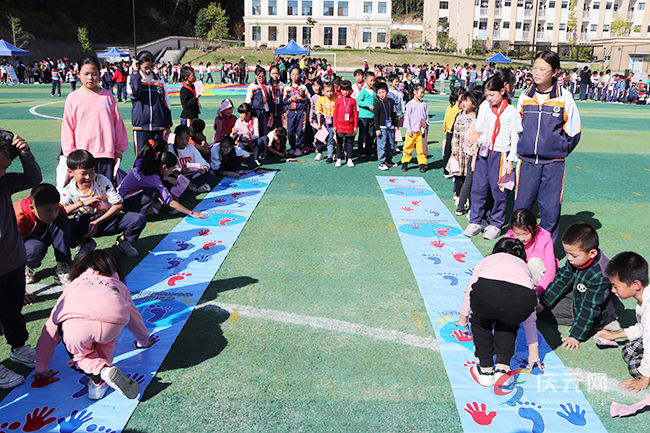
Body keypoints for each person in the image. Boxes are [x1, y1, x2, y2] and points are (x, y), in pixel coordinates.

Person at [34, 250, 158, 400]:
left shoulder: (73, 286)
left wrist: (41, 365)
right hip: (112, 322)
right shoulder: (117, 285)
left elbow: (50, 330)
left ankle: (102, 373)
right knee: (105, 343)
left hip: (77, 325)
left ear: (80, 268)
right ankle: (101, 377)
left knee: (79, 357)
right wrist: (143, 341)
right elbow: (134, 317)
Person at [515, 51, 581, 242]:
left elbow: (574, 132)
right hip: (527, 162)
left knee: (550, 210)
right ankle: (519, 248)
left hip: (553, 164)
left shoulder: (564, 98)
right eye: (534, 68)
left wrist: (557, 150)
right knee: (522, 208)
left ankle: (545, 252)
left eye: (542, 69)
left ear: (555, 72)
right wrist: (526, 146)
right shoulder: (525, 96)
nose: (536, 73)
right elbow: (518, 128)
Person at [458, 238, 542, 386]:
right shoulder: (525, 268)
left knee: (480, 321)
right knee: (509, 322)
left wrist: (463, 318)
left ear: (495, 251)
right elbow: (530, 320)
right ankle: (503, 368)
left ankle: (486, 368)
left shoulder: (488, 260)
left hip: (487, 296)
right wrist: (534, 353)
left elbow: (470, 290)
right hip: (518, 303)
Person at [0, 130, 42, 388]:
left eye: (6, 167)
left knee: (13, 311)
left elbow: (33, 177)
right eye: (1, 166)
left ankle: (19, 348)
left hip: (13, 260)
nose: (3, 172)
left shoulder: (3, 182)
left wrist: (24, 153)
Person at [539, 222, 617, 350]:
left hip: (595, 310)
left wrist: (576, 336)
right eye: (567, 253)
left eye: (573, 255)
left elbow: (590, 308)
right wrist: (543, 302)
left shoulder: (600, 276)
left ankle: (608, 320)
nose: (569, 258)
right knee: (541, 306)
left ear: (592, 253)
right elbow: (561, 280)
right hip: (579, 294)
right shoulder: (578, 259)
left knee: (543, 314)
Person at [463, 74, 521, 240]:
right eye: (486, 95)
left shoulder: (511, 112)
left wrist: (511, 160)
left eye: (492, 95)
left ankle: (495, 223)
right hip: (484, 151)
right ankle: (475, 221)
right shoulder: (485, 107)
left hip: (501, 154)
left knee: (499, 191)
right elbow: (483, 129)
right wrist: (478, 140)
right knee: (478, 188)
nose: (489, 99)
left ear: (502, 91)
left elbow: (515, 137)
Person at [61, 150, 146, 259]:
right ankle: (86, 243)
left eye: (91, 171)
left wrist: (96, 222)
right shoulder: (68, 190)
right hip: (85, 222)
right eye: (83, 173)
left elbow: (118, 205)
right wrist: (81, 203)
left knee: (138, 219)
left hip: (107, 219)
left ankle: (123, 241)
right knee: (64, 226)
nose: (88, 177)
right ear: (70, 172)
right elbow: (60, 210)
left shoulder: (101, 180)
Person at [61, 56, 128, 186]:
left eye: (94, 74)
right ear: (78, 74)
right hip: (82, 156)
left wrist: (119, 149)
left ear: (99, 74)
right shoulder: (73, 98)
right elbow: (68, 127)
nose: (90, 78)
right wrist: (70, 153)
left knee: (105, 192)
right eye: (86, 74)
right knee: (85, 192)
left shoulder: (108, 97)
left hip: (106, 153)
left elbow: (117, 123)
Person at [599, 252, 650, 392]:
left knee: (634, 366)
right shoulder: (643, 298)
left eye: (616, 286)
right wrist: (613, 336)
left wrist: (644, 380)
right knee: (628, 351)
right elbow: (641, 328)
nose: (613, 290)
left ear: (636, 285)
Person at [117, 146, 207, 218]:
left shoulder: (145, 164)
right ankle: (133, 212)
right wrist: (191, 213)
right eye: (171, 169)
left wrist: (165, 178)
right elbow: (170, 201)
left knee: (154, 190)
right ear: (164, 167)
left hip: (121, 194)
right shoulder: (154, 178)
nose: (172, 171)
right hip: (124, 201)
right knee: (154, 192)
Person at [15, 184, 72, 286]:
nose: (53, 214)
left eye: (56, 209)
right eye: (48, 211)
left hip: (38, 233)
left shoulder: (52, 208)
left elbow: (61, 213)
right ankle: (25, 266)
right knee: (35, 249)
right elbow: (7, 249)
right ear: (32, 208)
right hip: (21, 243)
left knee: (63, 220)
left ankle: (63, 266)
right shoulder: (18, 218)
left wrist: (81, 203)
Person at [505, 208, 557, 296]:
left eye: (525, 234)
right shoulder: (509, 237)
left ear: (534, 228)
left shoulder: (544, 238)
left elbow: (550, 272)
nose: (521, 238)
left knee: (534, 262)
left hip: (537, 278)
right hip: (518, 276)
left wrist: (536, 293)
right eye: (517, 234)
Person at [128, 51, 173, 156]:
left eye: (151, 67)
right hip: (141, 127)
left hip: (158, 126)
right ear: (138, 65)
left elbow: (166, 103)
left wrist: (168, 126)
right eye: (145, 67)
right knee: (141, 157)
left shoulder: (160, 80)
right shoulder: (132, 78)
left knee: (158, 157)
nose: (148, 70)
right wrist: (135, 72)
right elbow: (136, 93)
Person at [447, 88, 480, 214]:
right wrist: (454, 151)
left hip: (471, 154)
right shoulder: (460, 117)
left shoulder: (477, 118)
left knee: (470, 178)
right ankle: (459, 196)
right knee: (459, 176)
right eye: (463, 101)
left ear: (474, 104)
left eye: (467, 101)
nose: (464, 103)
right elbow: (455, 136)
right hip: (460, 152)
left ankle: (468, 201)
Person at [169, 125, 214, 193]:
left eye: (187, 138)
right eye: (181, 138)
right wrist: (180, 170)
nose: (184, 142)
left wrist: (203, 169)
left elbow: (204, 164)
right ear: (176, 137)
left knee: (212, 174)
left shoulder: (190, 147)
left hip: (193, 176)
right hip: (179, 177)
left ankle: (191, 187)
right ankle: (193, 187)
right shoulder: (170, 149)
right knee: (173, 180)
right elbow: (168, 171)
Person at [401, 84, 429, 173]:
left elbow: (426, 117)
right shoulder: (410, 104)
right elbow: (408, 117)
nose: (422, 94)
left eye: (423, 93)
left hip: (421, 131)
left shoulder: (424, 104)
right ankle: (405, 163)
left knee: (421, 148)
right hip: (412, 131)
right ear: (415, 92)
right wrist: (408, 129)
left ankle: (422, 164)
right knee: (408, 147)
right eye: (421, 92)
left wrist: (427, 128)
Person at [282, 67, 309, 156]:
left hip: (301, 112)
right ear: (290, 75)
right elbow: (284, 101)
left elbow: (308, 99)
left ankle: (299, 147)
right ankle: (292, 147)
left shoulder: (303, 87)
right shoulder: (287, 88)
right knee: (290, 131)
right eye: (293, 74)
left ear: (300, 75)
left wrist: (302, 99)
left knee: (300, 131)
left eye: (297, 74)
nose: (295, 76)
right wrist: (290, 99)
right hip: (291, 112)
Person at [333, 80, 358, 167]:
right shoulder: (338, 100)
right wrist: (334, 125)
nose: (345, 91)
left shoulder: (353, 101)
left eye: (347, 89)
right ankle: (339, 158)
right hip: (339, 126)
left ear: (350, 90)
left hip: (350, 126)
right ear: (340, 90)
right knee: (339, 143)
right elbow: (335, 113)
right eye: (343, 89)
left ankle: (350, 159)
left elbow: (355, 114)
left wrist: (355, 126)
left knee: (350, 143)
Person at [373, 82, 397, 170]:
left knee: (391, 144)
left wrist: (395, 124)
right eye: (379, 93)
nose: (381, 94)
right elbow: (375, 117)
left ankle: (389, 160)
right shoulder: (377, 104)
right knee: (381, 145)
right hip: (382, 128)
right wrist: (377, 129)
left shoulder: (391, 102)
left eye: (383, 92)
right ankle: (381, 162)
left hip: (390, 127)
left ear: (387, 92)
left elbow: (394, 114)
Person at [245, 67, 274, 138]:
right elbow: (248, 101)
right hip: (256, 112)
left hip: (266, 112)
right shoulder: (252, 86)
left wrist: (271, 112)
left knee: (266, 131)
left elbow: (271, 100)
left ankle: (265, 147)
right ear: (255, 76)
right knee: (257, 131)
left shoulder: (268, 86)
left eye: (263, 76)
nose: (261, 78)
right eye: (259, 77)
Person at [442, 87, 464, 178]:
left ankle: (449, 170)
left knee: (451, 151)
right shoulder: (453, 108)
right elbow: (446, 120)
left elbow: (445, 121)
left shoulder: (453, 107)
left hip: (452, 132)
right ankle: (448, 170)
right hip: (452, 132)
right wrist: (446, 130)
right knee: (450, 151)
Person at [315, 82, 338, 163]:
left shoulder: (337, 97)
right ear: (323, 91)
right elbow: (318, 112)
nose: (329, 93)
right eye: (327, 91)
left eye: (331, 91)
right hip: (328, 121)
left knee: (338, 138)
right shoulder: (320, 99)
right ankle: (330, 156)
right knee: (330, 138)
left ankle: (339, 154)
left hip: (337, 120)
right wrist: (319, 123)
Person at [356, 71, 376, 158]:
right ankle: (361, 151)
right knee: (362, 134)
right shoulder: (363, 91)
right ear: (366, 80)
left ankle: (369, 149)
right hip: (363, 116)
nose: (372, 82)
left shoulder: (374, 91)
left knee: (371, 134)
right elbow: (358, 101)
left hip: (372, 116)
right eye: (371, 80)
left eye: (373, 80)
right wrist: (368, 105)